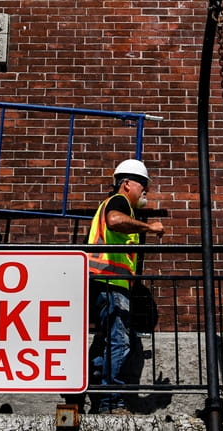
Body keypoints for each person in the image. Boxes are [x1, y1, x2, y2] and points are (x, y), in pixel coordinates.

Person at [86, 159, 164, 414]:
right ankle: (112, 403)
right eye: (143, 184)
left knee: (107, 343)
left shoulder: (114, 205)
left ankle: (96, 396)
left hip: (102, 283)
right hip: (110, 283)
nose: (145, 191)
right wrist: (149, 227)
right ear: (127, 183)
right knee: (119, 342)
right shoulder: (118, 203)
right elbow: (115, 221)